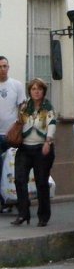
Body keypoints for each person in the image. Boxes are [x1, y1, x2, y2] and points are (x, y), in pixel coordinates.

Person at [11, 78, 56, 227]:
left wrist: (48, 142)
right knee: (19, 179)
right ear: (29, 91)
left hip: (41, 148)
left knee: (41, 182)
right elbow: (19, 123)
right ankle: (23, 213)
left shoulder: (47, 107)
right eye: (33, 89)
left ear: (43, 91)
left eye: (39, 89)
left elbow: (52, 124)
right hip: (25, 148)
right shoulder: (25, 107)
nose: (36, 91)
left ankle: (43, 216)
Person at [0, 56, 26, 212]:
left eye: (5, 66)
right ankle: (2, 201)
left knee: (12, 169)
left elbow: (22, 107)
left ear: (8, 67)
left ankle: (14, 200)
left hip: (12, 136)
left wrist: (19, 127)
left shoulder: (16, 85)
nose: (2, 69)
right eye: (0, 66)